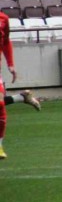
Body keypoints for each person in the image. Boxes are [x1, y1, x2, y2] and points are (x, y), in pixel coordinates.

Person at [0, 9, 18, 158]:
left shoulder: (3, 19)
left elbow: (5, 42)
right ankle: (22, 97)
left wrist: (10, 64)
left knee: (0, 104)